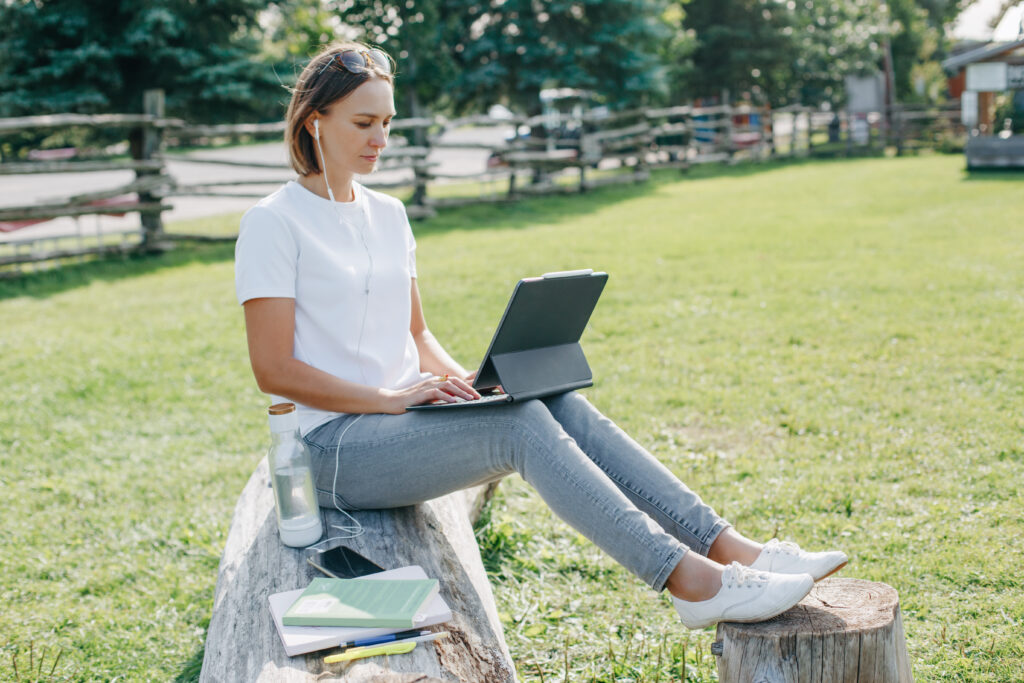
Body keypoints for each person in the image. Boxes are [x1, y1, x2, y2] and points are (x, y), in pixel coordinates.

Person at [234, 42, 847, 630]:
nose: (380, 140)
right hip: (333, 449)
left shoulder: (389, 215)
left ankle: (735, 550)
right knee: (520, 427)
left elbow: (416, 332)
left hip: (404, 421)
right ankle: (695, 585)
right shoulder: (273, 224)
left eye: (388, 122)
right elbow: (273, 369)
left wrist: (470, 385)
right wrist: (392, 399)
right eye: (363, 122)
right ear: (315, 121)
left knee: (553, 400)